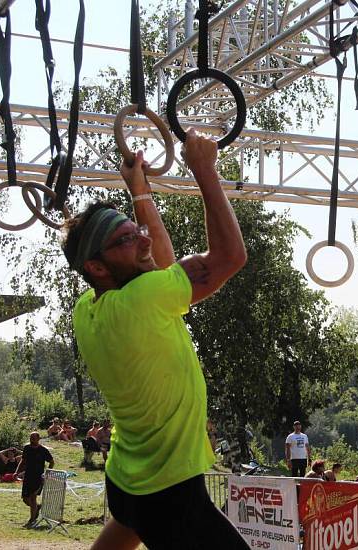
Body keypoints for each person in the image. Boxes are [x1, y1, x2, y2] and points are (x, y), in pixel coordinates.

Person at [64, 135, 249, 550]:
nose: (143, 240)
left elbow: (159, 264)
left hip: (129, 478)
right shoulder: (143, 300)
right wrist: (204, 168)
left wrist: (140, 191)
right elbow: (231, 256)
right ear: (96, 265)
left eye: (137, 232)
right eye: (127, 240)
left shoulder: (88, 309)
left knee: (125, 530)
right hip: (168, 491)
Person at [16, 432, 54, 527]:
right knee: (25, 499)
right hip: (28, 476)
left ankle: (32, 520)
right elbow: (23, 460)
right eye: (30, 438)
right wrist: (16, 471)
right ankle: (37, 508)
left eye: (33, 438)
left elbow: (52, 462)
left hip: (38, 477)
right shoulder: (27, 448)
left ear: (38, 439)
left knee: (33, 497)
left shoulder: (43, 450)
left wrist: (47, 473)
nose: (31, 440)